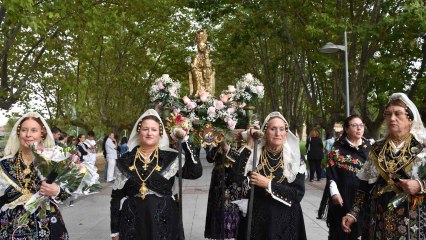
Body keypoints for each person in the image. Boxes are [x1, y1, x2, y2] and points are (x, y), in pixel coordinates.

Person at [342, 93, 426, 239]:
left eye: (398, 113)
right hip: (379, 219)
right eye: (388, 114)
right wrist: (353, 212)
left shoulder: (422, 146)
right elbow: (364, 185)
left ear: (410, 118)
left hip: (413, 220)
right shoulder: (377, 148)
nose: (392, 118)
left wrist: (420, 185)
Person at [110, 109, 202, 239]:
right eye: (145, 129)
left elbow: (195, 172)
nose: (149, 133)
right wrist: (114, 230)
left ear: (160, 134)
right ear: (138, 132)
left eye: (153, 130)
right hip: (132, 223)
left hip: (164, 221)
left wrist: (185, 140)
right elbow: (115, 198)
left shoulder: (171, 157)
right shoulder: (125, 160)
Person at [229, 112, 307, 239]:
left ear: (286, 133)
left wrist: (268, 184)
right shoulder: (255, 154)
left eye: (282, 129)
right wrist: (249, 145)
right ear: (265, 132)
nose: (278, 133)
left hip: (286, 219)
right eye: (273, 129)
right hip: (258, 218)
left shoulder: (295, 159)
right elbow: (234, 177)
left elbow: (297, 194)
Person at [0, 112, 71, 239]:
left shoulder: (54, 162)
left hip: (48, 227)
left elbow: (69, 195)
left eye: (34, 130)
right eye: (24, 130)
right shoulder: (4, 164)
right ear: (18, 133)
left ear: (42, 134)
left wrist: (57, 190)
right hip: (11, 230)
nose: (28, 135)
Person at [326, 115, 371, 239]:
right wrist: (334, 193)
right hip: (343, 198)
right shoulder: (337, 149)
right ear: (346, 129)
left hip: (364, 199)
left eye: (361, 125)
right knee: (342, 233)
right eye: (354, 125)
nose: (359, 128)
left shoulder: (370, 149)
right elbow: (331, 173)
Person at [204, 141, 246, 239]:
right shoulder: (219, 142)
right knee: (217, 206)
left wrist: (228, 149)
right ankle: (218, 234)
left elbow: (243, 160)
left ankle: (231, 235)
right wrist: (218, 146)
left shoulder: (243, 141)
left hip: (232, 181)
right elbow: (209, 158)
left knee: (231, 208)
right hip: (218, 181)